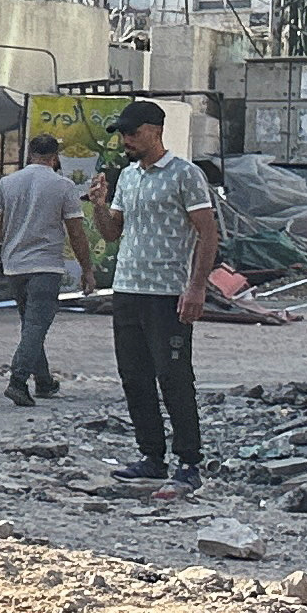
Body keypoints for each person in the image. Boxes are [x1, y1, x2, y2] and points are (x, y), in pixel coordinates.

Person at [87, 98, 219, 484]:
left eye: (133, 133)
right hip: (128, 289)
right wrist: (99, 205)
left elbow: (207, 232)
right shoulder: (128, 177)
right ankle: (151, 456)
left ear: (155, 132)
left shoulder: (185, 175)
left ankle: (189, 462)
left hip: (167, 292)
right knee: (134, 376)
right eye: (122, 134)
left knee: (173, 377)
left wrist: (196, 287)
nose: (126, 140)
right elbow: (113, 232)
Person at [0, 132, 95, 405]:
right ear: (55, 158)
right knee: (37, 326)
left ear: (30, 154)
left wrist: (14, 238)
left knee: (30, 326)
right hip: (46, 266)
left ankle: (44, 381)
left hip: (14, 266)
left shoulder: (7, 183)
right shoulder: (64, 186)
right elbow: (76, 233)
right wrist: (87, 269)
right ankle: (17, 381)